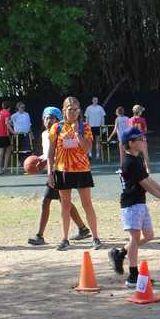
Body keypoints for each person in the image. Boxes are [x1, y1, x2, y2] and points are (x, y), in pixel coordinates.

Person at [109, 127, 160, 287]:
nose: (143, 141)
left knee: (148, 235)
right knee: (134, 239)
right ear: (131, 143)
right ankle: (133, 276)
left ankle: (120, 254)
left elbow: (149, 179)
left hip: (140, 203)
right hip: (131, 204)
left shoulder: (138, 159)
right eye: (139, 139)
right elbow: (145, 184)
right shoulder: (129, 162)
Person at [28, 107, 92, 246]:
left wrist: (46, 164)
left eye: (51, 117)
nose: (48, 120)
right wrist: (39, 160)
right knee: (63, 202)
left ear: (58, 119)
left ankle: (40, 235)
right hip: (53, 171)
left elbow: (59, 153)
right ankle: (82, 228)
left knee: (48, 201)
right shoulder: (45, 134)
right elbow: (48, 153)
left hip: (61, 170)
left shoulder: (60, 131)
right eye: (45, 118)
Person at [46, 97, 102, 251]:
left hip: (82, 170)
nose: (74, 112)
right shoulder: (56, 128)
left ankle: (96, 237)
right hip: (63, 170)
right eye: (70, 109)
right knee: (65, 205)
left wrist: (77, 133)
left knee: (87, 204)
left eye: (77, 109)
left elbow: (86, 149)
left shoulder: (85, 127)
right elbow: (51, 152)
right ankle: (64, 239)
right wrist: (50, 173)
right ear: (64, 111)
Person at [108, 106, 131, 172]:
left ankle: (122, 168)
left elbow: (115, 130)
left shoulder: (117, 119)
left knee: (122, 154)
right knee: (128, 153)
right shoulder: (127, 118)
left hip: (121, 139)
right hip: (127, 138)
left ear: (117, 113)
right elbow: (129, 128)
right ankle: (129, 167)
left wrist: (109, 137)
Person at [0, 100, 13, 175]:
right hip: (4, 135)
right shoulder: (7, 113)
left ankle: (0, 169)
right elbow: (7, 123)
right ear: (9, 108)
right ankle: (4, 167)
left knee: (1, 151)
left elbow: (3, 122)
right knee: (8, 149)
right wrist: (13, 131)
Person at [129, 105, 149, 170]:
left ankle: (135, 169)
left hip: (133, 139)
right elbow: (145, 129)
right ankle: (147, 169)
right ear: (139, 112)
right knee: (145, 154)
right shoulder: (142, 119)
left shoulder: (130, 119)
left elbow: (130, 130)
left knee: (134, 155)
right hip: (141, 138)